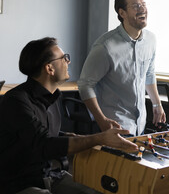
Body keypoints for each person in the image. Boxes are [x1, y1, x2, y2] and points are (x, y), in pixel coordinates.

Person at [0, 37, 138, 194]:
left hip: (49, 176)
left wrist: (70, 136)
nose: (68, 61)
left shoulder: (52, 97)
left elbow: (37, 133)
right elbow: (43, 144)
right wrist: (100, 138)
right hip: (19, 184)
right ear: (50, 69)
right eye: (64, 58)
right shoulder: (16, 100)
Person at [78, 0, 166, 136]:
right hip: (115, 124)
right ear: (122, 13)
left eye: (143, 4)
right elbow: (85, 85)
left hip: (140, 123)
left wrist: (157, 104)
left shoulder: (151, 40)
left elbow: (149, 74)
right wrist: (101, 120)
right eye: (135, 6)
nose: (142, 9)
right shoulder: (105, 46)